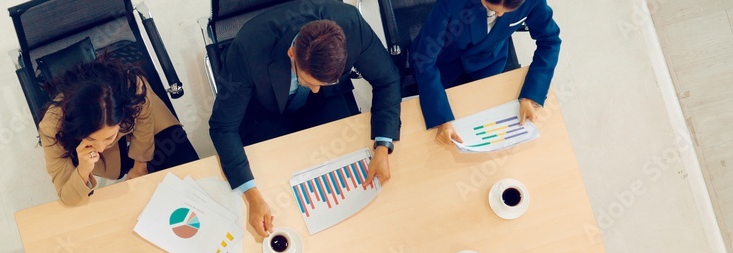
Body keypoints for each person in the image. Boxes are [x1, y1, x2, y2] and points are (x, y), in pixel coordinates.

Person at [209, 0, 402, 236]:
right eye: (308, 81)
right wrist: (251, 195)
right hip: (265, 111)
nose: (315, 89)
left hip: (328, 102)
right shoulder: (247, 49)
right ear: (291, 53)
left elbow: (388, 80)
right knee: (278, 195)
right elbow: (222, 127)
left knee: (350, 182)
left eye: (321, 83)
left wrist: (383, 144)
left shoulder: (351, 25)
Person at [38, 57, 199, 207]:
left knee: (188, 173)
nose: (100, 148)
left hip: (140, 120)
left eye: (108, 137)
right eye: (91, 139)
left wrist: (140, 164)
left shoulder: (133, 89)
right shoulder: (51, 127)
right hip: (105, 151)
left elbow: (144, 121)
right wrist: (83, 170)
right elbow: (68, 198)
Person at [409, 0, 561, 145]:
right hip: (442, 63)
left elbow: (550, 41)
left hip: (488, 63)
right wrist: (441, 118)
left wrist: (531, 95)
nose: (500, 15)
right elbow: (424, 59)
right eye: (494, 9)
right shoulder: (451, 3)